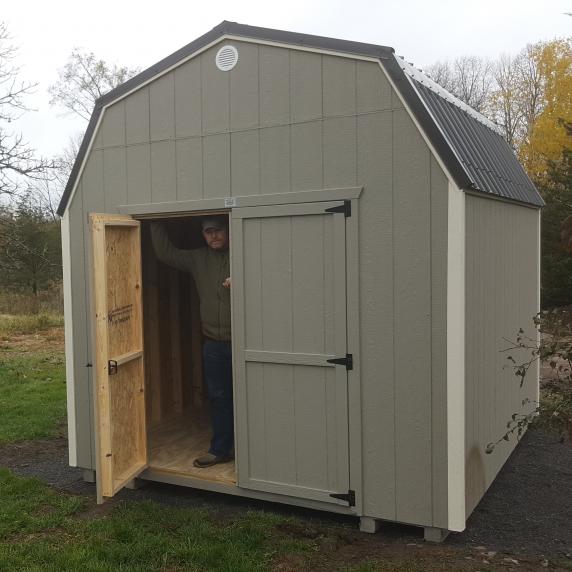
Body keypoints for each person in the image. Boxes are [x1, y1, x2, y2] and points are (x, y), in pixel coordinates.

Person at [150, 217, 233, 468]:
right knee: (219, 398)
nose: (213, 236)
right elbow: (166, 254)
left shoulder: (246, 253)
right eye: (208, 232)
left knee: (253, 397)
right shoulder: (198, 259)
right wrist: (154, 219)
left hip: (244, 344)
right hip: (214, 344)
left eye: (218, 230)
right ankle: (220, 450)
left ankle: (257, 452)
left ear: (229, 230)